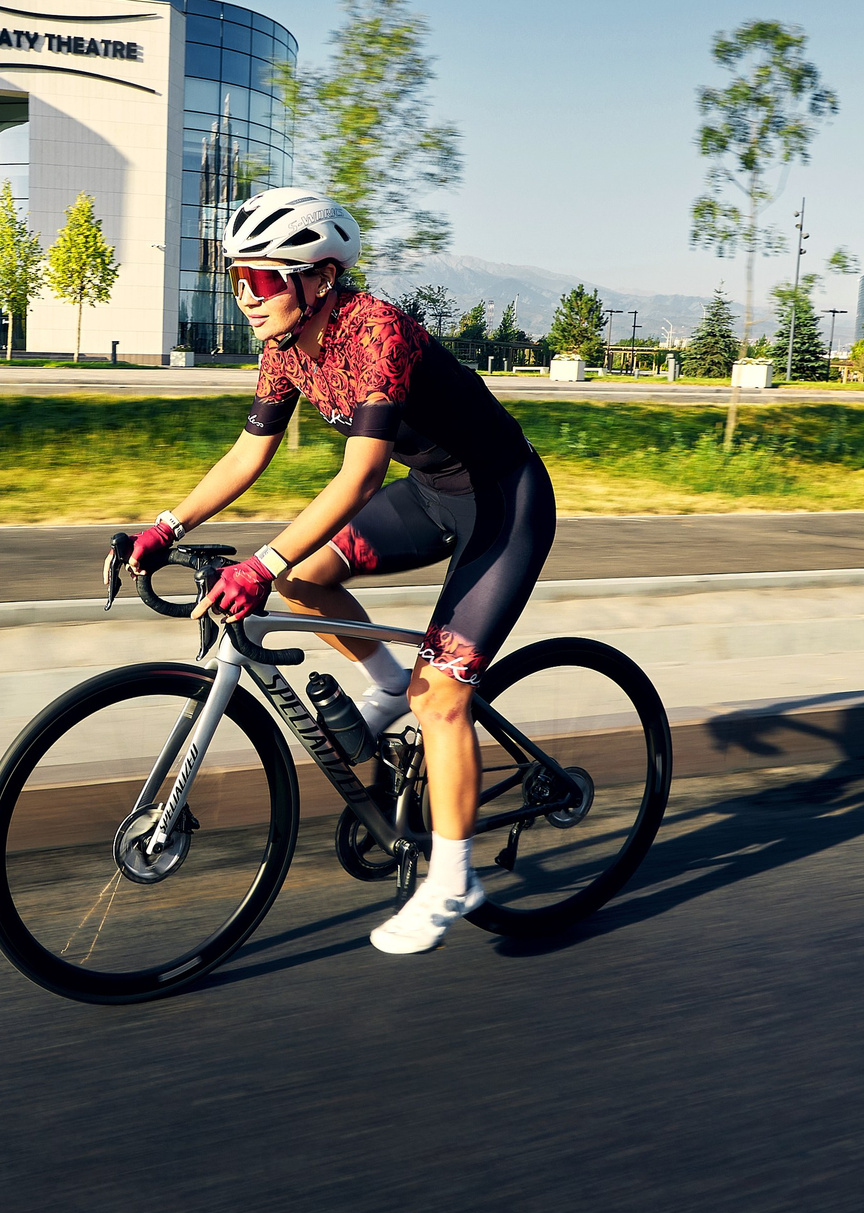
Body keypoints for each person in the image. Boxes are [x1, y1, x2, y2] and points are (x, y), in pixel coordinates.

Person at [122, 187, 556, 955]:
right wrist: (166, 526)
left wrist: (257, 560)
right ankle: (387, 683)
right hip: (429, 496)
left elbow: (357, 477)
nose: (246, 299)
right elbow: (249, 454)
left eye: (260, 280)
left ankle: (455, 876)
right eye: (237, 280)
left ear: (317, 278)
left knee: (442, 694)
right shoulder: (284, 349)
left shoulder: (374, 330)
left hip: (503, 504)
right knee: (304, 579)